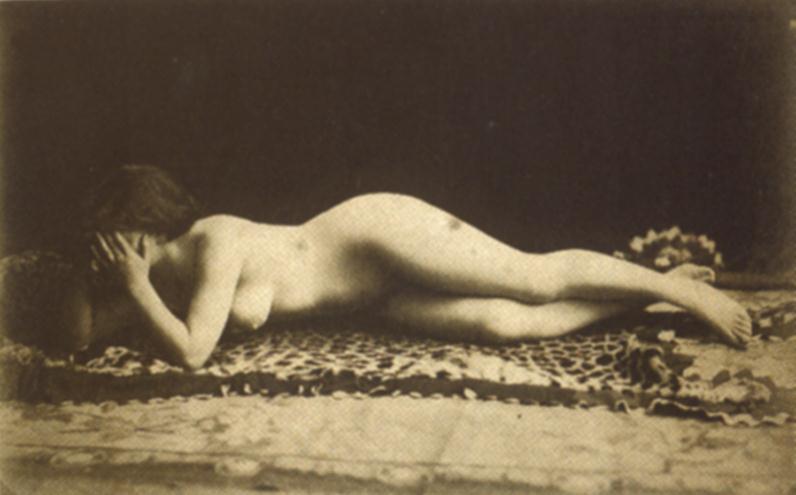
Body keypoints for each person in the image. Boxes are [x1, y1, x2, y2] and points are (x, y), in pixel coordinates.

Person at [78, 165, 750, 370]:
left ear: (143, 225)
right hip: (367, 297)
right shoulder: (166, 282)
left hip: (372, 236)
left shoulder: (213, 240)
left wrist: (134, 287)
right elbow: (84, 329)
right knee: (502, 327)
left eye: (115, 238)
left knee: (534, 279)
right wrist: (129, 290)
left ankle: (682, 292)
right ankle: (650, 294)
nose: (110, 254)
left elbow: (193, 352)